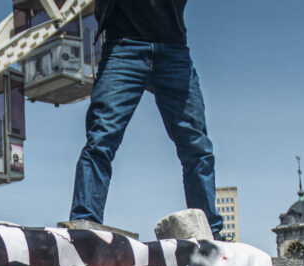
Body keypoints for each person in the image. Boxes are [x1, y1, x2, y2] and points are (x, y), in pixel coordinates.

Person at [68, 0, 221, 237]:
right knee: (101, 138)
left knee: (196, 146)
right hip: (123, 46)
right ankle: (85, 222)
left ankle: (209, 232)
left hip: (172, 50)